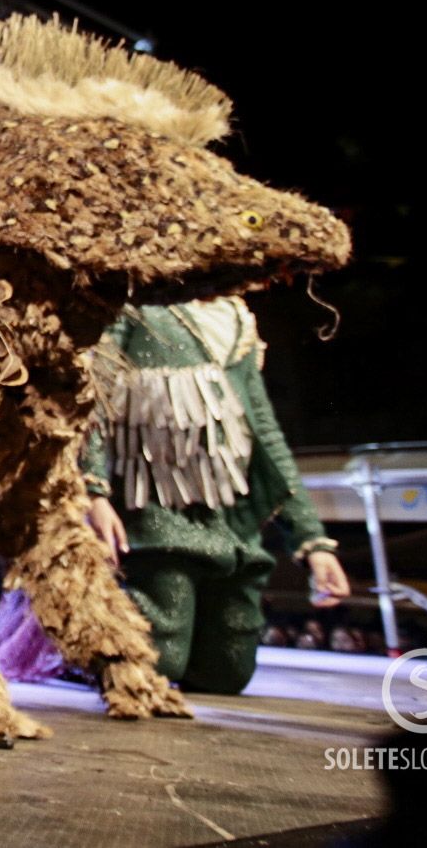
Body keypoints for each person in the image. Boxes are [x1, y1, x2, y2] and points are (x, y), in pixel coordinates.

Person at [82, 296, 351, 693]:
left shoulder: (238, 319)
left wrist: (313, 542)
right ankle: (65, 650)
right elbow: (92, 395)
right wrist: (93, 490)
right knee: (158, 657)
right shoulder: (135, 307)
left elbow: (264, 431)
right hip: (154, 510)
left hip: (232, 517)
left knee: (227, 672)